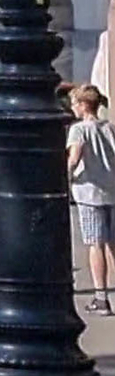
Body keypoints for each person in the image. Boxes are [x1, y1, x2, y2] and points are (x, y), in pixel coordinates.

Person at [68, 84, 115, 315]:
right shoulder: (109, 127)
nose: (72, 108)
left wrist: (65, 177)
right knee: (112, 243)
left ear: (84, 105)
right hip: (112, 190)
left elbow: (74, 158)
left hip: (89, 192)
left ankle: (101, 297)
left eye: (74, 103)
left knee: (95, 243)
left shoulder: (79, 129)